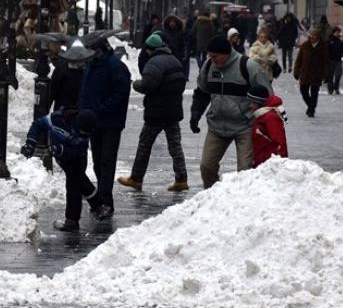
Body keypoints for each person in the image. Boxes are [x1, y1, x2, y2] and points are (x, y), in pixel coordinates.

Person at [190, 35, 271, 188]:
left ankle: (243, 201)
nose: (212, 60)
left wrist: (265, 125)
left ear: (226, 53)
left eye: (215, 56)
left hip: (245, 126)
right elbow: (202, 92)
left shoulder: (248, 67)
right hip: (217, 126)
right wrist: (195, 114)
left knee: (245, 170)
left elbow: (267, 97)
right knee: (206, 166)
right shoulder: (208, 66)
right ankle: (213, 195)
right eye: (210, 56)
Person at [117, 34, 188, 192]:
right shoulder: (174, 60)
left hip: (156, 112)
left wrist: (135, 84)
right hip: (173, 110)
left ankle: (136, 178)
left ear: (150, 49)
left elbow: (147, 85)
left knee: (145, 144)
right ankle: (181, 178)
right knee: (175, 145)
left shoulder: (154, 63)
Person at [22, 108, 99, 232]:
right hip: (61, 155)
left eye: (87, 134)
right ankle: (98, 204)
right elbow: (37, 124)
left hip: (77, 157)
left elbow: (79, 150)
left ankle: (72, 221)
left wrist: (61, 150)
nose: (84, 136)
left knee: (74, 184)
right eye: (82, 132)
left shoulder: (83, 138)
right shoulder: (56, 120)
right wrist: (31, 142)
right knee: (78, 179)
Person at [79, 39, 131, 219]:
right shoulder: (91, 66)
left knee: (106, 162)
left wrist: (102, 108)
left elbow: (121, 93)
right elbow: (85, 91)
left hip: (110, 122)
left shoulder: (115, 66)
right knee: (98, 162)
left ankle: (105, 202)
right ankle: (103, 201)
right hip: (94, 122)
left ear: (99, 49)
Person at [247, 85, 288, 166]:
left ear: (259, 103)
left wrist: (280, 164)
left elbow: (280, 142)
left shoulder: (270, 118)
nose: (250, 106)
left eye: (252, 102)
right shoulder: (261, 115)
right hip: (262, 161)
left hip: (269, 164)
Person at [293, 28, 329, 117]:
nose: (312, 37)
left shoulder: (323, 47)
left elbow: (326, 62)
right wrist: (296, 71)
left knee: (314, 92)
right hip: (305, 73)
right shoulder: (305, 46)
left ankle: (311, 110)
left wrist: (326, 74)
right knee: (303, 91)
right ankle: (311, 106)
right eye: (311, 35)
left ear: (318, 37)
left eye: (314, 35)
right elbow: (299, 60)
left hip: (317, 73)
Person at [327, 27, 343, 94]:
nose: (338, 33)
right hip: (330, 60)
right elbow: (326, 50)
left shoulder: (340, 41)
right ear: (333, 32)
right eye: (336, 32)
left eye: (338, 32)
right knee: (330, 76)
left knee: (338, 75)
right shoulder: (329, 41)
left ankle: (336, 87)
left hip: (338, 60)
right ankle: (330, 89)